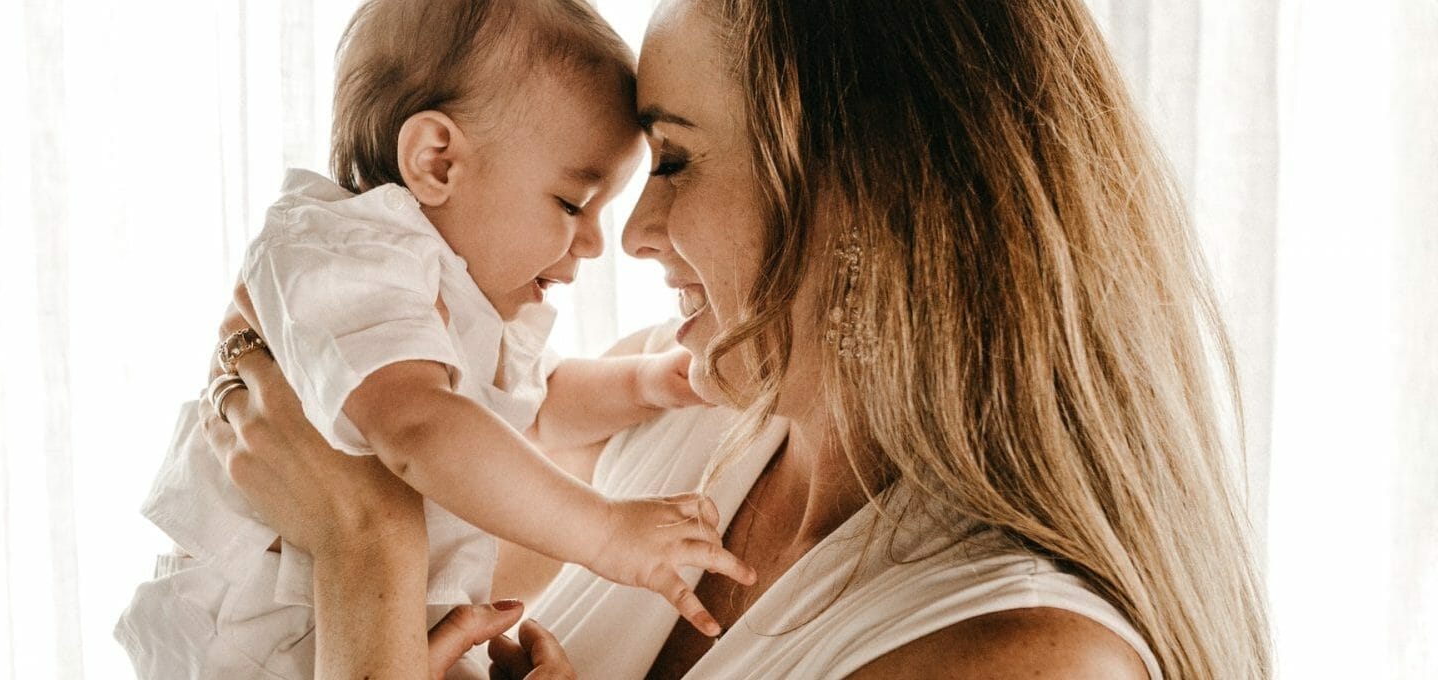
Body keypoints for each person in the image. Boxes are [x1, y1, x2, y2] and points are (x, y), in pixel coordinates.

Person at [201, 0, 1275, 678]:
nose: (632, 232)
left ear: (863, 193)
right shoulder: (663, 432)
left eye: (671, 161)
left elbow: (380, 551)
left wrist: (364, 546)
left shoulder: (1026, 658)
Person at [115, 1, 755, 678]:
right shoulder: (342, 251)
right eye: (573, 204)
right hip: (260, 639)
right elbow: (422, 425)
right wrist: (606, 531)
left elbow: (525, 410)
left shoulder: (445, 295)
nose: (599, 243)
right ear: (437, 162)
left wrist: (647, 382)